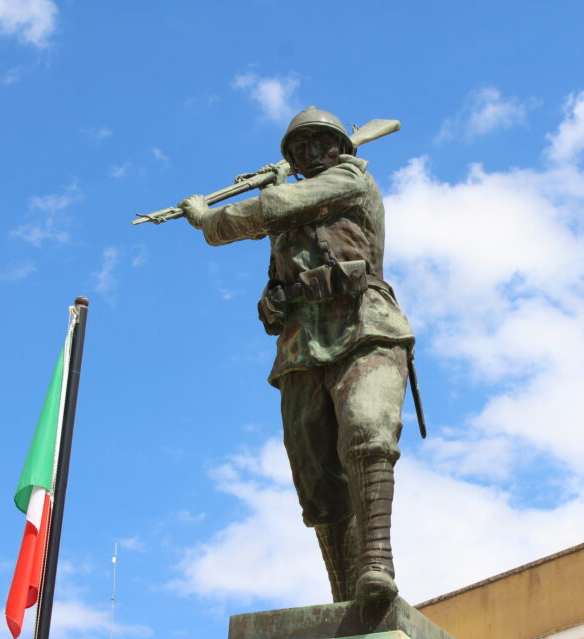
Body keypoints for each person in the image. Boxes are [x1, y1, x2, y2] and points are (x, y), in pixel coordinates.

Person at [178, 107, 415, 603]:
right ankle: (347, 599)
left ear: (340, 147)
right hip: (300, 350)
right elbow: (274, 290)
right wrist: (274, 301)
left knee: (367, 430)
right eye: (298, 147)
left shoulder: (350, 179)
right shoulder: (290, 224)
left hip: (363, 328)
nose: (309, 153)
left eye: (319, 142)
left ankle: (378, 564)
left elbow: (272, 208)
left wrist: (207, 220)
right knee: (316, 484)